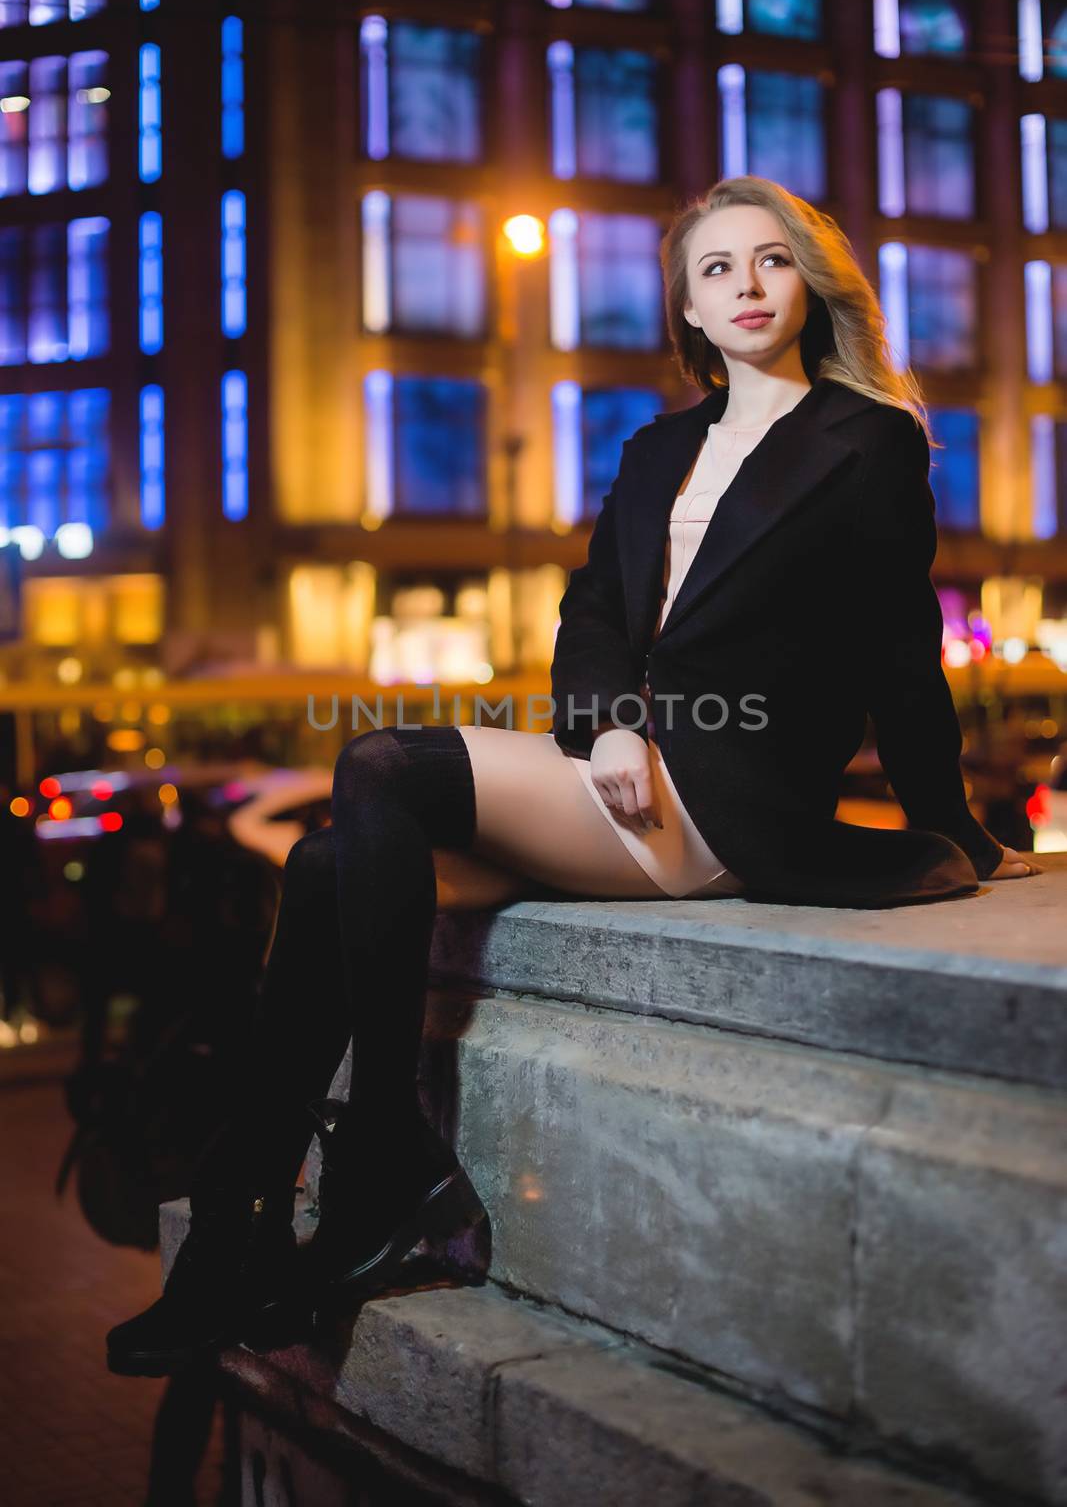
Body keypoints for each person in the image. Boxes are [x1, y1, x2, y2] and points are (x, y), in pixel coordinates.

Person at [106, 175, 1037, 1376]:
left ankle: (380, 1150)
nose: (745, 287)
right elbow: (592, 607)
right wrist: (602, 725)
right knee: (331, 859)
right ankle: (232, 1225)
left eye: (768, 261)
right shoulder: (657, 450)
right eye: (715, 270)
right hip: (626, 773)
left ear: (810, 284)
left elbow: (899, 653)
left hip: (730, 800)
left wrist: (949, 824)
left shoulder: (867, 443)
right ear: (686, 311)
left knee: (379, 763)